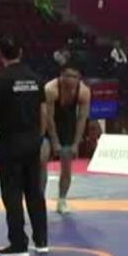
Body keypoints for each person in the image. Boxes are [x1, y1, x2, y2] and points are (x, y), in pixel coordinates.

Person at [0, 37, 48, 256]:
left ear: (0, 55)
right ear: (20, 52)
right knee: (35, 191)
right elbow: (44, 112)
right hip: (32, 139)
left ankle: (18, 243)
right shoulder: (36, 79)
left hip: (11, 141)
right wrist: (39, 137)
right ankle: (41, 241)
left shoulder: (1, 80)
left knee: (12, 192)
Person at [43, 64, 91, 215]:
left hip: (67, 125)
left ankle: (62, 200)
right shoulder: (50, 89)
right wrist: (55, 142)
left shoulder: (83, 91)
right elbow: (48, 118)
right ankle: (39, 199)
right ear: (61, 76)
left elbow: (82, 119)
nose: (71, 80)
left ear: (79, 78)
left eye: (75, 77)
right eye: (68, 76)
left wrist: (76, 143)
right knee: (41, 160)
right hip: (47, 125)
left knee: (66, 166)